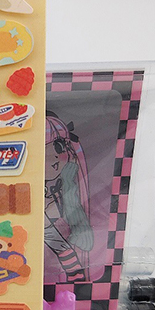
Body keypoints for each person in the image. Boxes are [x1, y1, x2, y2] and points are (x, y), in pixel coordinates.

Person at [44, 112, 93, 282]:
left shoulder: (67, 182)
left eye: (59, 147)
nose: (54, 156)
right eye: (43, 150)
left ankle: (76, 279)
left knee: (63, 250)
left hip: (50, 226)